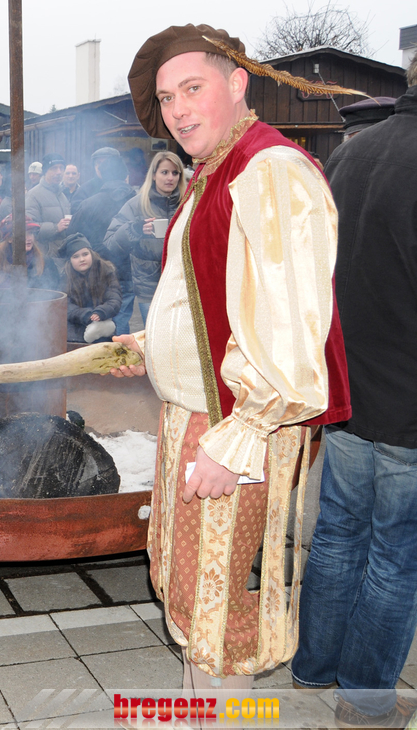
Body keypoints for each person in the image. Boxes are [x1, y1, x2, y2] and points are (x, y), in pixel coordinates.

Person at [113, 23, 351, 691]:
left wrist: (238, 439)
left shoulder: (270, 170)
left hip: (233, 424)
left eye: (193, 88)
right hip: (195, 415)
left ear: (238, 82)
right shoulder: (216, 169)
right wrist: (148, 345)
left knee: (211, 607)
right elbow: (212, 297)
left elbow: (293, 325)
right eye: (167, 98)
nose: (178, 109)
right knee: (189, 591)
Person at [290, 63, 417, 727]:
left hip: (345, 386)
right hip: (407, 402)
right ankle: (365, 700)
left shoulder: (351, 154)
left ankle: (314, 669)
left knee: (338, 533)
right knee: (396, 554)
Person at [103, 150, 186, 324]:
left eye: (175, 173)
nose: (170, 178)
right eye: (164, 172)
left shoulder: (188, 203)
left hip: (182, 286)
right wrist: (134, 229)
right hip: (149, 288)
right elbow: (110, 242)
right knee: (153, 334)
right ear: (154, 175)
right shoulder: (137, 204)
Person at [71, 155, 136, 334]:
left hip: (97, 271)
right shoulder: (137, 202)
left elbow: (73, 234)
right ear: (125, 175)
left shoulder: (89, 204)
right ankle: (120, 348)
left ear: (102, 175)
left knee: (97, 320)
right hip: (128, 270)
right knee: (122, 316)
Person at [61, 239, 121, 343]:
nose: (82, 259)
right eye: (76, 256)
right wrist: (85, 315)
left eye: (85, 254)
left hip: (102, 324)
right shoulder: (65, 277)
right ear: (70, 260)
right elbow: (65, 305)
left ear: (91, 254)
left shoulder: (106, 271)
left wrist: (101, 312)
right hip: (75, 331)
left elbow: (114, 299)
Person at [0, 215, 60, 291]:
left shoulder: (46, 262)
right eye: (23, 234)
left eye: (31, 233)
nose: (29, 238)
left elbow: (55, 292)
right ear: (9, 239)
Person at [25, 152, 72, 258]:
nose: (59, 172)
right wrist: (55, 227)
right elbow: (29, 227)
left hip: (62, 254)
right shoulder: (33, 195)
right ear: (45, 171)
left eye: (61, 168)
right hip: (44, 257)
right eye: (54, 168)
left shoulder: (62, 195)